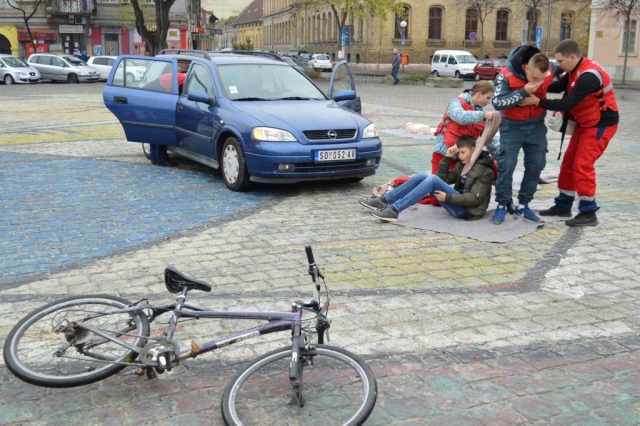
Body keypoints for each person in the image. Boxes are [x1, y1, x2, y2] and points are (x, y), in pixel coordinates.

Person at [520, 39, 619, 226]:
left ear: (572, 57)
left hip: (601, 125)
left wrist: (538, 102)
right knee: (568, 163)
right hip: (586, 123)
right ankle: (563, 204)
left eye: (560, 61)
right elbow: (557, 87)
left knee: (583, 165)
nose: (558, 65)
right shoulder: (574, 70)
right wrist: (541, 80)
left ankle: (588, 212)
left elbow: (568, 103)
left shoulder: (590, 75)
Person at [360, 135, 495, 222]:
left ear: (474, 149)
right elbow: (444, 178)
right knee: (424, 176)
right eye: (458, 152)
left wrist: (448, 198)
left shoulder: (484, 170)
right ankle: (384, 200)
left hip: (467, 211)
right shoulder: (463, 165)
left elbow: (474, 199)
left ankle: (395, 210)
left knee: (431, 179)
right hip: (456, 202)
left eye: (463, 152)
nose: (460, 156)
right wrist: (447, 157)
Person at [490, 47, 555, 225]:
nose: (539, 83)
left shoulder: (548, 72)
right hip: (512, 128)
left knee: (536, 165)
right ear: (526, 67)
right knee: (506, 165)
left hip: (536, 127)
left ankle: (524, 204)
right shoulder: (505, 75)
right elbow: (497, 103)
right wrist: (522, 92)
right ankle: (502, 205)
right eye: (535, 78)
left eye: (542, 79)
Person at [431, 81, 498, 205]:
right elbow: (460, 117)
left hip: (464, 158)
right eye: (488, 98)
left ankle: (504, 202)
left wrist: (504, 157)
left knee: (497, 170)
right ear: (479, 94)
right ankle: (398, 183)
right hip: (445, 153)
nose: (489, 102)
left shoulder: (480, 113)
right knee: (435, 199)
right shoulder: (456, 102)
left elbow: (490, 138)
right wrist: (483, 115)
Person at [151, 61, 189, 166]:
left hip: (153, 94)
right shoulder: (186, 79)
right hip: (160, 95)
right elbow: (180, 95)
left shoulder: (183, 76)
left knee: (155, 129)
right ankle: (161, 159)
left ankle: (154, 157)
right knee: (162, 129)